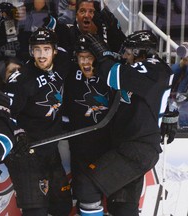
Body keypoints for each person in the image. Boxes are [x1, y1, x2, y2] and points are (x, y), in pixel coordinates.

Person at [74, 30, 177, 216]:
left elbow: (115, 75)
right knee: (122, 208)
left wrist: (104, 55)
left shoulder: (153, 67)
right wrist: (170, 109)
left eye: (129, 51)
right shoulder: (147, 70)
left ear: (142, 53)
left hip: (137, 148)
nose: (125, 55)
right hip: (129, 147)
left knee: (87, 185)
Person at [4, 27, 72, 216]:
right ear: (31, 51)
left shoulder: (63, 63)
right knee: (36, 211)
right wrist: (18, 133)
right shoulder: (21, 80)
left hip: (51, 150)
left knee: (63, 207)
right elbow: (3, 112)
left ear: (55, 51)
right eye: (37, 49)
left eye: (46, 49)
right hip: (28, 155)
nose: (42, 55)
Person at [62, 34, 112, 215]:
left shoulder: (111, 74)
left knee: (115, 200)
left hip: (108, 146)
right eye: (81, 57)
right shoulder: (70, 74)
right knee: (86, 195)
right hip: (80, 146)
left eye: (89, 57)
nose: (85, 62)